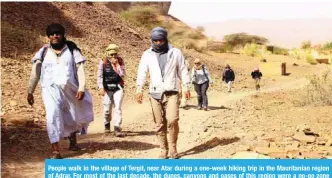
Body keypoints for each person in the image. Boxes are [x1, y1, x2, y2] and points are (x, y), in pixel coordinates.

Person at [27, 23, 94, 159]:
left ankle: (73, 141)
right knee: (52, 115)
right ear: (48, 37)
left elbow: (80, 70)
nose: (55, 36)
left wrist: (81, 87)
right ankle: (56, 151)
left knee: (71, 114)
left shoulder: (72, 50)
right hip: (49, 89)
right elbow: (35, 73)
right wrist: (30, 91)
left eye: (57, 33)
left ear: (63, 35)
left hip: (70, 89)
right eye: (51, 34)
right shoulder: (43, 52)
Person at [135, 27, 191, 159]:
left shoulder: (175, 52)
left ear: (165, 39)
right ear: (152, 41)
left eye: (161, 40)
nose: (158, 43)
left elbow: (183, 70)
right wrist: (139, 89)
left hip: (171, 91)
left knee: (172, 120)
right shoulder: (147, 54)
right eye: (155, 41)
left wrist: (186, 86)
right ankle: (163, 149)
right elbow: (142, 72)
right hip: (155, 93)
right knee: (159, 124)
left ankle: (173, 147)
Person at [97, 44, 126, 137]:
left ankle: (117, 127)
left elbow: (122, 74)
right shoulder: (103, 62)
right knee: (107, 109)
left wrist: (117, 65)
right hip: (107, 87)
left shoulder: (120, 61)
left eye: (115, 54)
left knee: (117, 107)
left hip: (118, 86)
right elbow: (100, 75)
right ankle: (107, 124)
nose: (113, 56)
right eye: (111, 54)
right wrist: (100, 87)